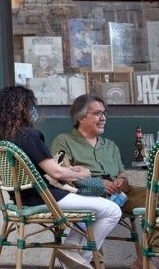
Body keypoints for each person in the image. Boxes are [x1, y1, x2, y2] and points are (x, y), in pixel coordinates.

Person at [0, 86, 121, 269]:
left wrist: (70, 169)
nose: (34, 110)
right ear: (22, 107)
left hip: (22, 200)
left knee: (91, 211)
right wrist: (79, 173)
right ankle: (82, 257)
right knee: (112, 210)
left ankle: (71, 250)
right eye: (31, 105)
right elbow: (55, 172)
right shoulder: (29, 135)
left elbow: (44, 168)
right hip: (46, 197)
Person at [50, 94, 154, 269]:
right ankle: (92, 261)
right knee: (97, 209)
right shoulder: (64, 140)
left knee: (155, 199)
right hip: (86, 194)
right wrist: (97, 183)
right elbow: (61, 177)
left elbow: (121, 172)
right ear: (81, 117)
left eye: (104, 113)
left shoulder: (110, 145)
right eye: (98, 113)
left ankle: (145, 259)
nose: (103, 118)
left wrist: (122, 180)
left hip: (119, 194)